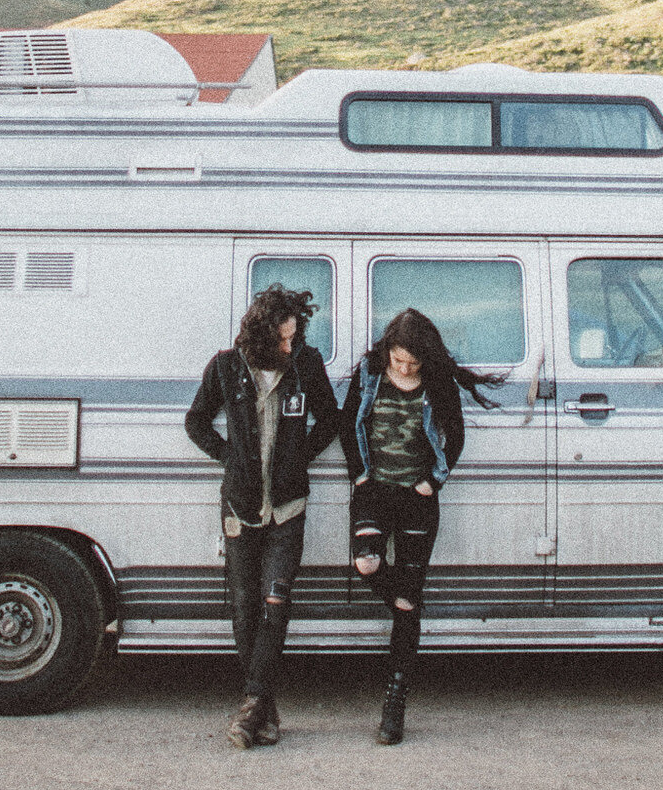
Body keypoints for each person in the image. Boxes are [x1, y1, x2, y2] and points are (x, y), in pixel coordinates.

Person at [184, 283, 341, 749]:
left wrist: (300, 458)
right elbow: (195, 421)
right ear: (260, 335)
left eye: (295, 337)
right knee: (245, 605)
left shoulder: (306, 366)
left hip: (288, 507)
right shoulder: (226, 367)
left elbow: (330, 420)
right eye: (283, 339)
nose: (291, 347)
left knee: (276, 603)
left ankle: (251, 704)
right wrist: (229, 457)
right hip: (240, 507)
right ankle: (265, 712)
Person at [337, 308, 505, 744]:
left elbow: (456, 436)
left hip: (416, 499)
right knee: (367, 565)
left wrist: (435, 481)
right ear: (388, 349)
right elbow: (346, 422)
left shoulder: (437, 382)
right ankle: (409, 603)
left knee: (408, 603)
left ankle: (395, 703)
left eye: (412, 361)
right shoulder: (371, 373)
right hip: (375, 491)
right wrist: (359, 472)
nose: (405, 367)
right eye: (399, 359)